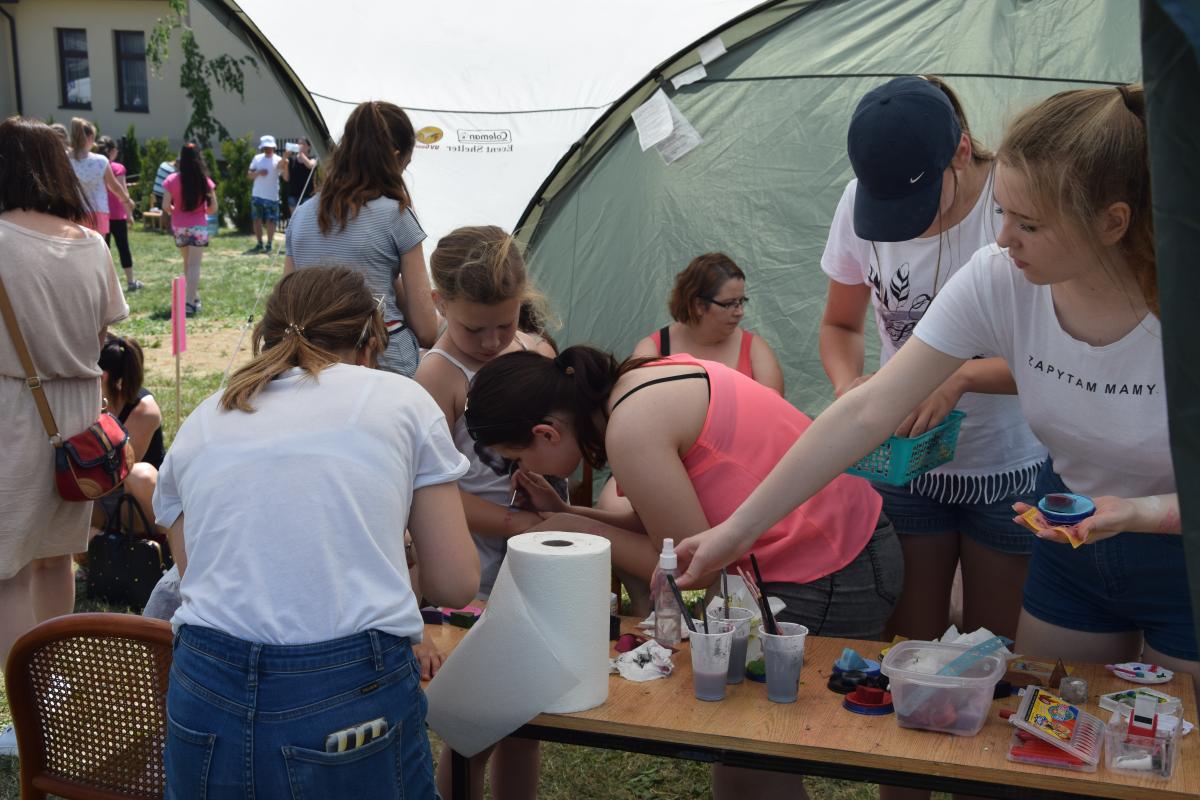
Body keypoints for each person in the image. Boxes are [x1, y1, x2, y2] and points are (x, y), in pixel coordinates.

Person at [673, 85, 1198, 689]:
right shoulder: (1000, 277)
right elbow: (868, 409)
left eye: (1028, 223)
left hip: (1181, 550)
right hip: (1071, 533)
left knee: (1180, 738)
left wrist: (1140, 513)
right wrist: (735, 532)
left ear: (1112, 222)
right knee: (1042, 717)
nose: (1003, 238)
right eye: (1001, 211)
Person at [466, 347, 900, 799]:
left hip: (831, 567)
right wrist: (569, 512)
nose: (523, 470)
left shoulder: (631, 430)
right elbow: (666, 528)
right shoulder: (640, 387)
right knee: (739, 758)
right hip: (847, 546)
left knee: (749, 764)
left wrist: (577, 530)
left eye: (517, 457)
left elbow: (692, 565)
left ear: (546, 434)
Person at [155, 266, 479, 797]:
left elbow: (202, 574)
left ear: (266, 337)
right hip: (349, 684)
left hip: (205, 682)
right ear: (371, 341)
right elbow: (455, 582)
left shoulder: (204, 417)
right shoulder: (402, 400)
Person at [820, 76, 1046, 661]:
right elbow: (841, 326)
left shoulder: (1012, 207)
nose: (905, 226)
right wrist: (850, 388)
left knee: (992, 653)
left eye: (915, 206)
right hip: (903, 461)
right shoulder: (857, 201)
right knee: (907, 649)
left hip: (1005, 466)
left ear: (961, 153)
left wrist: (959, 378)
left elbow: (1052, 358)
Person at [0, 117, 128, 755]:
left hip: (15, 409)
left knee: (8, 570)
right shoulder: (93, 244)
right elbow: (105, 334)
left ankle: (28, 717)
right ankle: (50, 694)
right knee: (55, 558)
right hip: (77, 413)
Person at [413, 226, 554, 800]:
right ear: (438, 302)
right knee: (474, 725)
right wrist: (519, 524)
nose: (494, 341)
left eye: (506, 322)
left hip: (536, 559)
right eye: (475, 328)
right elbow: (431, 494)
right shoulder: (438, 376)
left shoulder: (537, 354)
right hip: (473, 566)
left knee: (526, 716)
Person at [285, 101, 439, 377]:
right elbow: (426, 328)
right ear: (395, 158)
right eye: (405, 165)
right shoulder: (396, 215)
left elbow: (287, 303)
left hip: (311, 363)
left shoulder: (301, 215)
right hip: (384, 361)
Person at [633, 252, 784, 394]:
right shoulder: (651, 350)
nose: (740, 312)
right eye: (729, 303)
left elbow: (774, 409)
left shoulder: (755, 350)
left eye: (741, 301)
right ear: (698, 305)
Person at [91, 334, 163, 531]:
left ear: (102, 376)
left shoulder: (144, 411)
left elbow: (119, 472)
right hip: (97, 493)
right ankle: (102, 540)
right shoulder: (86, 402)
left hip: (136, 497)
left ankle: (157, 542)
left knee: (138, 474)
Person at [161, 143, 217, 317]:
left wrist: (175, 211)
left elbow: (165, 205)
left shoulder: (172, 179)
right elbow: (213, 208)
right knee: (194, 264)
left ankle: (192, 297)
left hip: (179, 226)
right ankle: (190, 302)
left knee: (187, 263)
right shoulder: (204, 180)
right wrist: (203, 211)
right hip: (198, 226)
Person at [67, 117, 134, 237]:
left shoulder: (64, 159)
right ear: (90, 138)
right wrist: (127, 200)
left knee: (77, 247)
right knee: (98, 246)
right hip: (98, 212)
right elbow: (114, 186)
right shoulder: (100, 161)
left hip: (74, 211)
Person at [97, 136, 142, 292]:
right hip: (117, 214)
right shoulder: (117, 168)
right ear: (113, 151)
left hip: (100, 214)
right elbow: (123, 191)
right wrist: (129, 214)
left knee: (103, 250)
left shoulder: (95, 164)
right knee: (123, 247)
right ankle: (130, 281)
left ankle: (104, 284)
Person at [247, 134, 288, 253]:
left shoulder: (278, 160)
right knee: (257, 220)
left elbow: (286, 177)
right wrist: (258, 173)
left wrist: (286, 165)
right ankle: (259, 243)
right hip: (257, 195)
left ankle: (269, 244)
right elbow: (249, 175)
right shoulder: (257, 158)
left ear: (274, 148)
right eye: (265, 148)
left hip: (272, 196)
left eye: (270, 147)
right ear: (262, 148)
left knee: (271, 221)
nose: (268, 150)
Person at [286, 136, 318, 211]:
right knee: (294, 216)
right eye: (298, 144)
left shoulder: (313, 158)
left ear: (309, 147)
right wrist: (285, 156)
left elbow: (310, 166)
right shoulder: (292, 160)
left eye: (303, 144)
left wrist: (301, 154)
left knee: (306, 215)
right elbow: (287, 177)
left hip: (307, 194)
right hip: (293, 195)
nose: (300, 146)